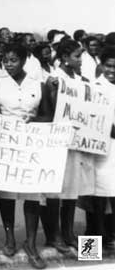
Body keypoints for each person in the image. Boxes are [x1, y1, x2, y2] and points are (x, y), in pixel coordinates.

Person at [0, 43, 52, 269]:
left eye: (13, 60)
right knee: (7, 194)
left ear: (24, 60)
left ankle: (32, 243)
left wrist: (35, 122)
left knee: (33, 195)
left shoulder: (38, 84)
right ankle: (9, 238)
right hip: (8, 143)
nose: (8, 64)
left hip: (32, 143)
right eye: (5, 60)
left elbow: (47, 115)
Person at [41, 39, 96, 254]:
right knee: (56, 190)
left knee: (72, 188)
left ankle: (68, 233)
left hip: (76, 141)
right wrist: (57, 90)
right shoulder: (54, 79)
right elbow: (54, 109)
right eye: (77, 56)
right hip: (57, 140)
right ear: (64, 58)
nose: (80, 60)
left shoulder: (80, 80)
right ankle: (53, 236)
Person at [89, 47, 115, 251]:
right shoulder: (94, 87)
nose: (112, 70)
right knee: (95, 199)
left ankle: (111, 238)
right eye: (109, 66)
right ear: (102, 66)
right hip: (99, 149)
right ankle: (90, 248)